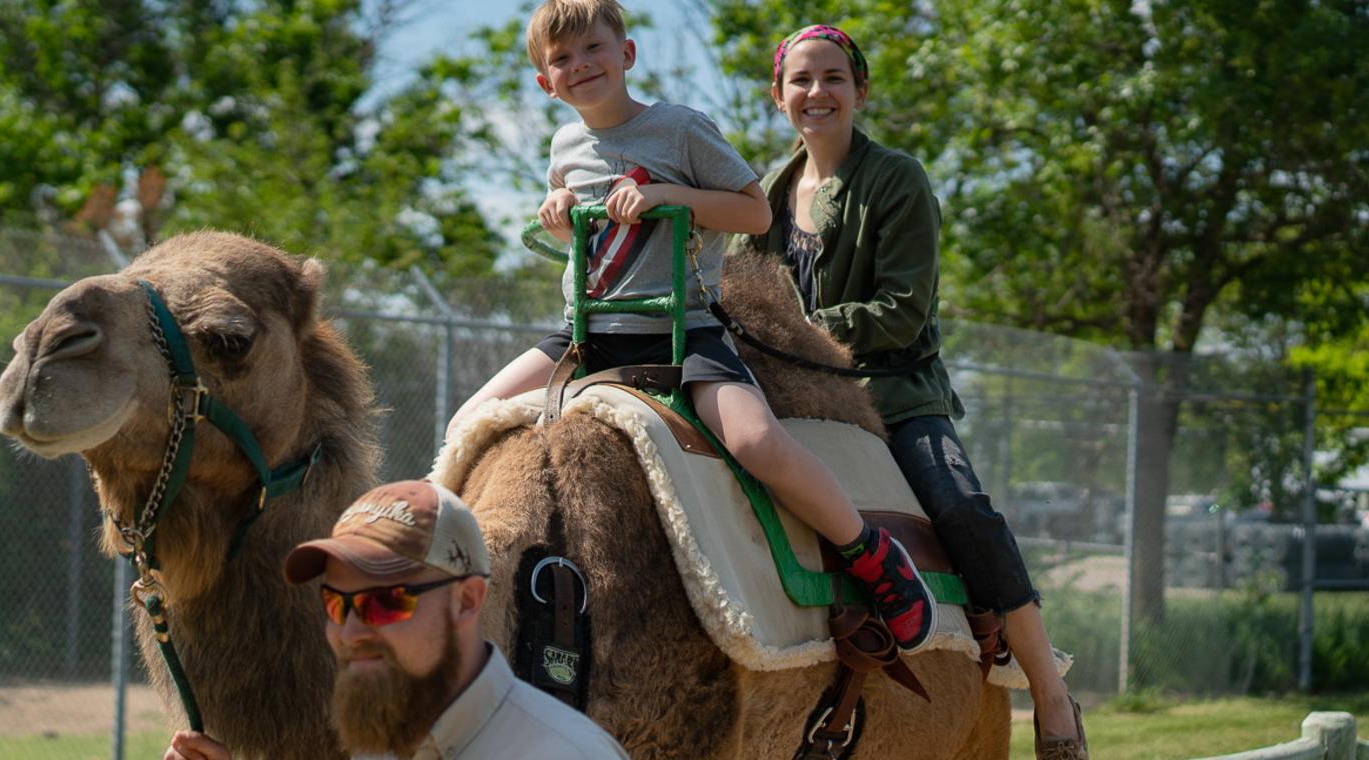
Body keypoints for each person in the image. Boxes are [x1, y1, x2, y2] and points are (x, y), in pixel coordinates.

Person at [445, 0, 938, 656]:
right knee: (470, 423)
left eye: (592, 48)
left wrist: (666, 196)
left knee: (757, 441)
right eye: (560, 59)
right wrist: (556, 217)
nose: (579, 65)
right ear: (545, 83)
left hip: (683, 331)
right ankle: (427, 563)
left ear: (627, 55)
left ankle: (872, 555)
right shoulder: (564, 145)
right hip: (585, 333)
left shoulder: (679, 130)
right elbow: (577, 248)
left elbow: (755, 214)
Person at [748, 24, 1088, 759]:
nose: (817, 93)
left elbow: (900, 313)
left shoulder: (897, 177)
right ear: (778, 97)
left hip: (891, 392)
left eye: (833, 78)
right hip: (789, 394)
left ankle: (1051, 697)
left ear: (860, 90)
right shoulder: (764, 196)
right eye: (801, 81)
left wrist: (789, 329)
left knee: (963, 510)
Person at [164, 480, 629, 760]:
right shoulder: (385, 740)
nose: (349, 633)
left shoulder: (566, 754)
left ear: (467, 601)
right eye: (335, 605)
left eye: (384, 603)